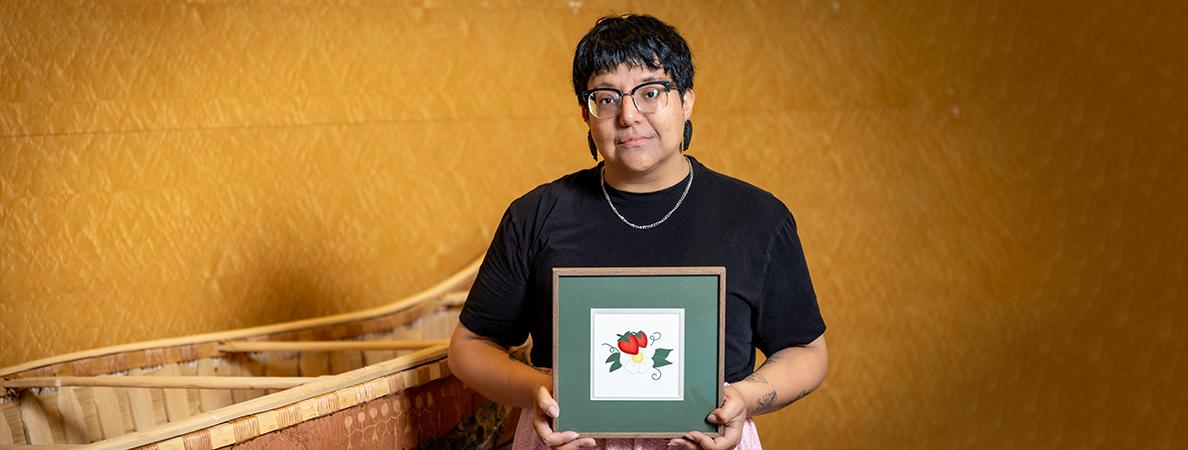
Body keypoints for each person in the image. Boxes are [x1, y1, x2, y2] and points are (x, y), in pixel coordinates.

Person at [448, 14, 827, 450]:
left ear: (686, 101)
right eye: (606, 98)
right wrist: (541, 392)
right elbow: (469, 346)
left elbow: (807, 352)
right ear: (585, 114)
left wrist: (744, 396)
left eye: (651, 93)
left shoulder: (757, 217)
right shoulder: (536, 214)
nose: (628, 115)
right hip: (564, 439)